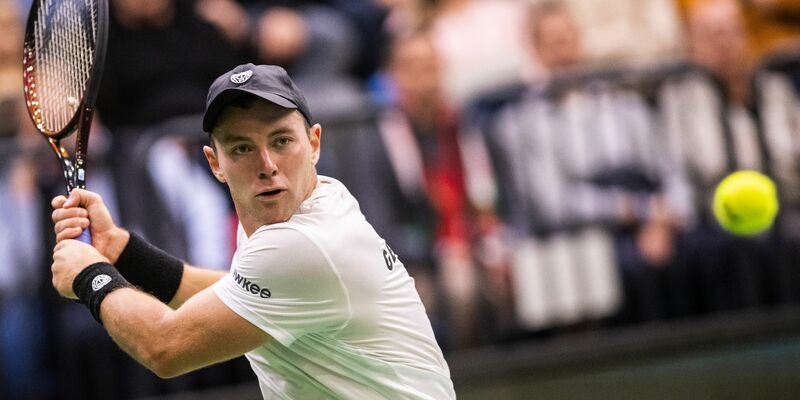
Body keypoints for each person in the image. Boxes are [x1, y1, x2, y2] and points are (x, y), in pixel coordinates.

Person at [49, 64, 456, 399]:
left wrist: (90, 275)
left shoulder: (301, 244)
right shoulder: (307, 206)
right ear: (215, 163)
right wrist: (122, 251)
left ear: (313, 143)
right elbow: (232, 294)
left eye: (281, 140)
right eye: (242, 148)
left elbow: (165, 346)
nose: (266, 163)